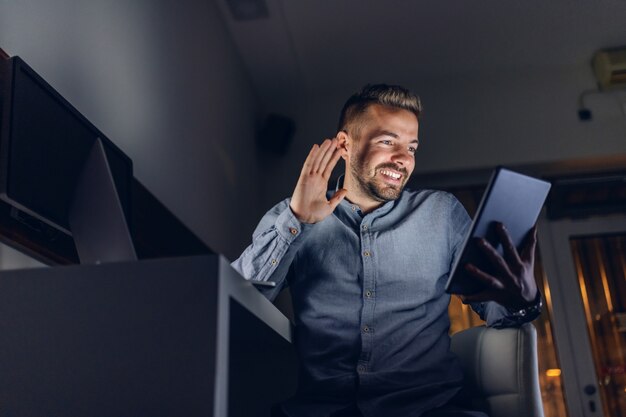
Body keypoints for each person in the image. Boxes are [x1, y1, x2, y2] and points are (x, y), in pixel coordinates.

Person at [232, 84, 542, 417]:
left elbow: (496, 311)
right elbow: (236, 300)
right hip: (322, 410)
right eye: (387, 141)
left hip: (428, 410)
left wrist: (522, 300)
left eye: (412, 147)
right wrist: (296, 221)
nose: (403, 158)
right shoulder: (291, 214)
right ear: (345, 145)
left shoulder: (442, 213)